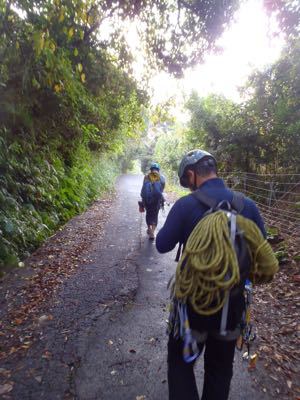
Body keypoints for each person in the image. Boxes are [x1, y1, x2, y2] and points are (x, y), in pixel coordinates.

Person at [156, 149, 278, 400]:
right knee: (220, 372)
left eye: (186, 181)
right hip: (231, 311)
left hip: (191, 310)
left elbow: (162, 244)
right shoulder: (248, 206)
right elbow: (261, 253)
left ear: (191, 175)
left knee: (180, 366)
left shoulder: (186, 205)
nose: (188, 187)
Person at [140, 162, 165, 240]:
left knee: (148, 214)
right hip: (157, 200)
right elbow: (162, 189)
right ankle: (153, 232)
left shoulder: (146, 177)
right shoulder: (162, 177)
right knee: (155, 215)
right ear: (158, 170)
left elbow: (143, 189)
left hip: (147, 201)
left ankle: (149, 229)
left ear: (151, 170)